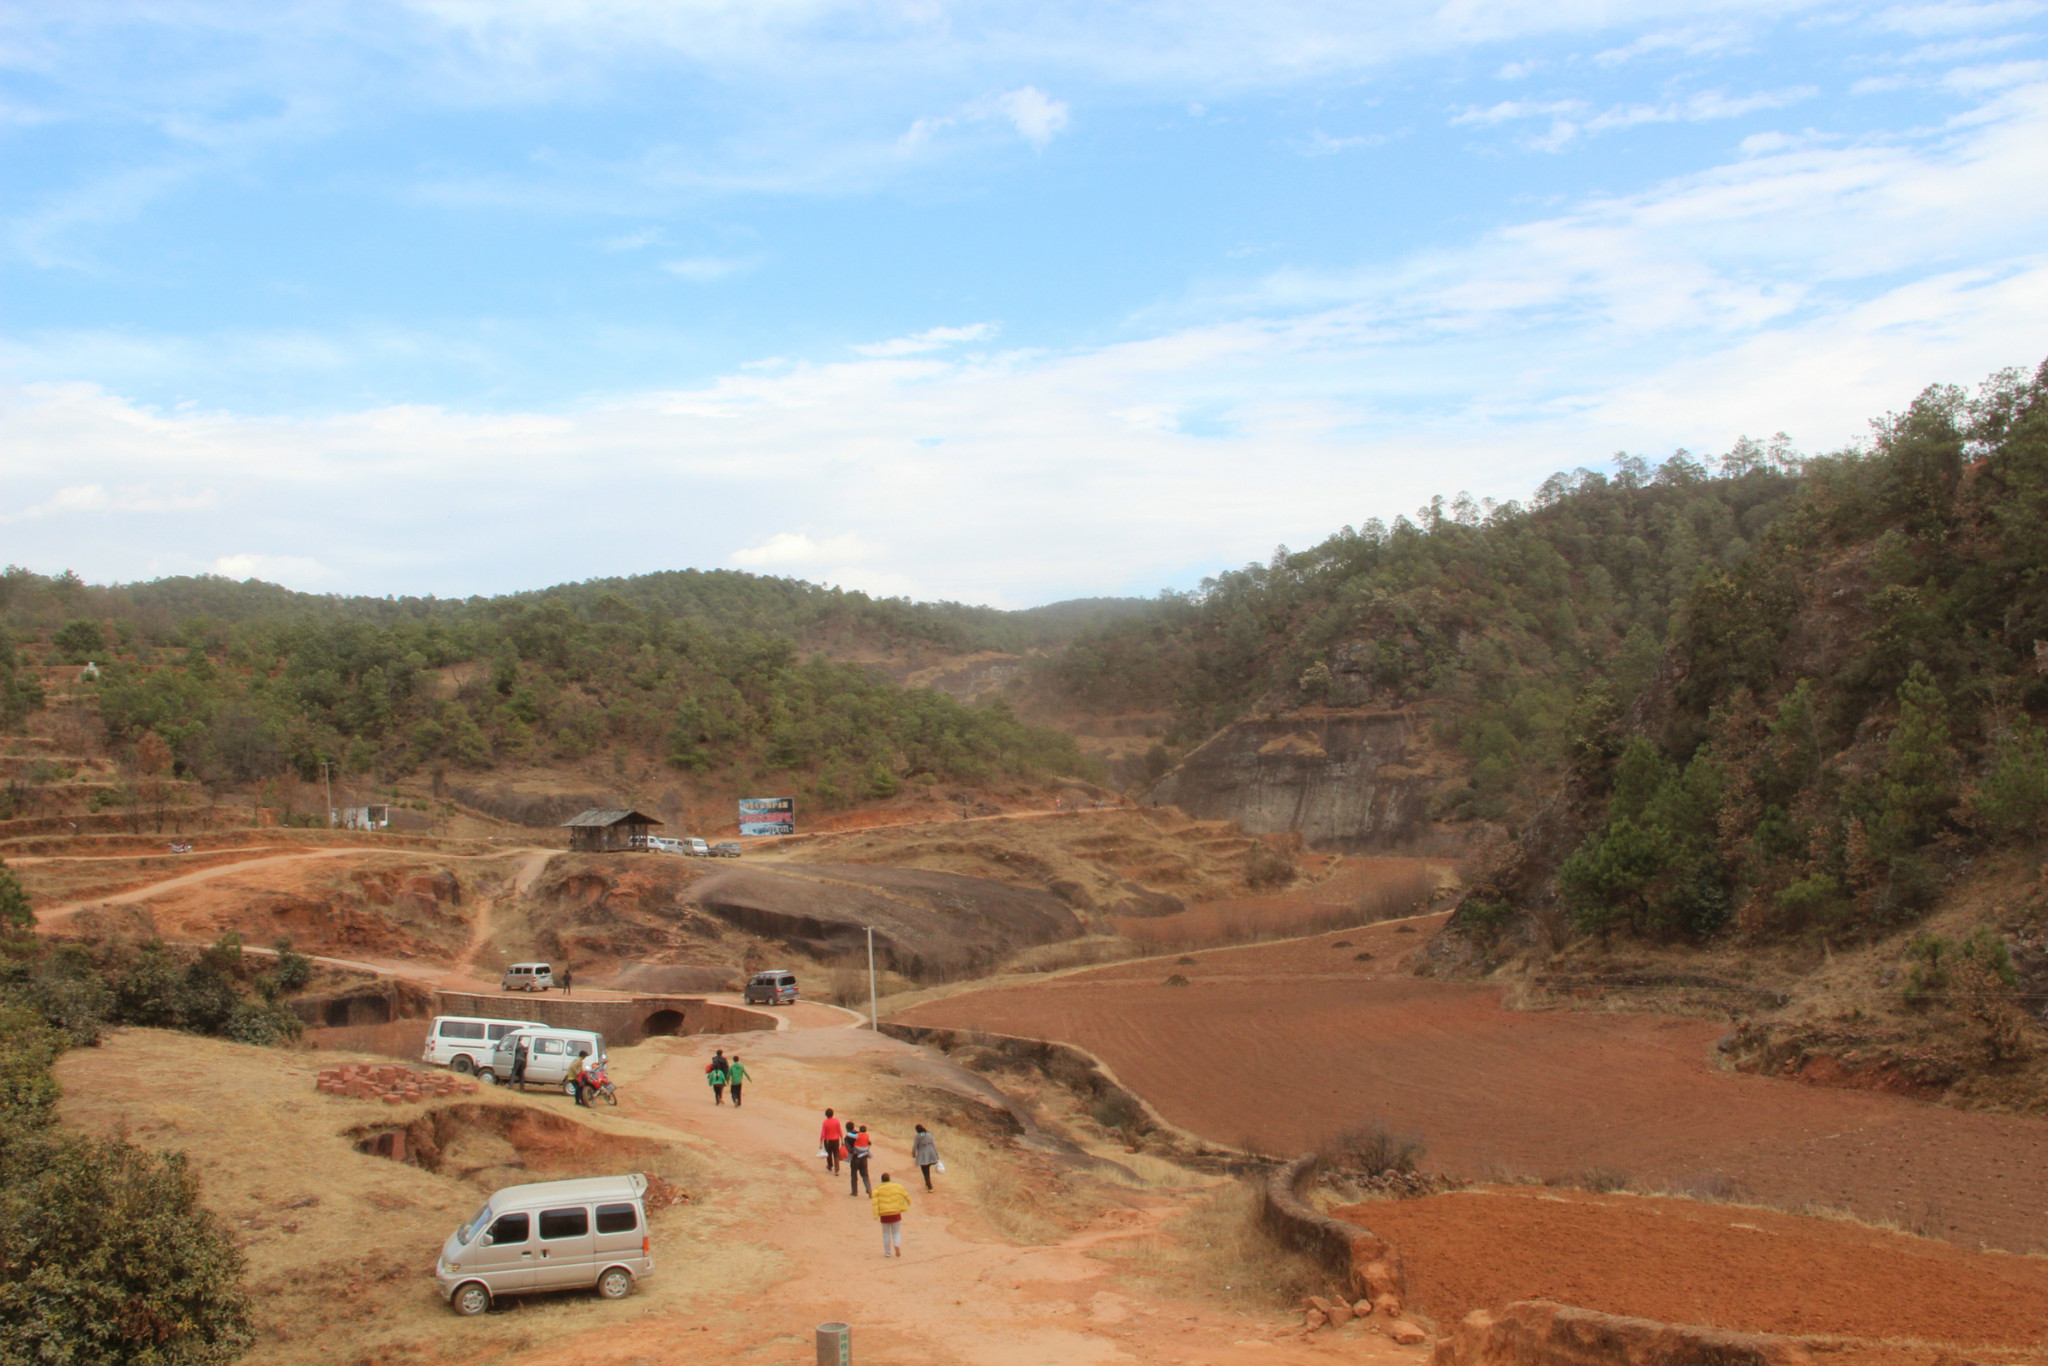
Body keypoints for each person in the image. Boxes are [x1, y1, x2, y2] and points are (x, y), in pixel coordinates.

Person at [871, 1173, 911, 1257]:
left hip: (884, 1214)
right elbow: (906, 1196)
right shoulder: (897, 1187)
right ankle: (897, 1245)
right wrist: (908, 1203)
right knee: (896, 1232)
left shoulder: (878, 1189)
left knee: (886, 1233)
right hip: (895, 1213)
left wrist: (875, 1215)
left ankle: (887, 1252)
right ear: (889, 1179)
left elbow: (875, 1203)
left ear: (882, 1180)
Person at [912, 1124, 940, 1190]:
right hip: (931, 1154)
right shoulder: (929, 1134)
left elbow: (914, 1147)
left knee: (925, 1171)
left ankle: (929, 1186)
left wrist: (913, 1154)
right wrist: (936, 1154)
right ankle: (927, 1184)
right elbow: (933, 1145)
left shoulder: (917, 1137)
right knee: (927, 1169)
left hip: (922, 1156)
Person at [847, 1124, 872, 1197]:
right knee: (865, 1174)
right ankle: (868, 1188)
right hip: (864, 1157)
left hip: (856, 1156)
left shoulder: (857, 1136)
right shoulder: (867, 1136)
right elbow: (869, 1143)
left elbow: (849, 1136)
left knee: (854, 1173)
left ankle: (854, 1191)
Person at [820, 1109, 843, 1173]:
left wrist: (821, 1142)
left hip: (828, 1141)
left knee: (829, 1154)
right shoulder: (836, 1121)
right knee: (836, 1154)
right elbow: (839, 1130)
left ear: (826, 1115)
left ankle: (830, 1166)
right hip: (836, 1140)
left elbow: (823, 1133)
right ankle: (836, 1169)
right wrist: (842, 1139)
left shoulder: (825, 1122)